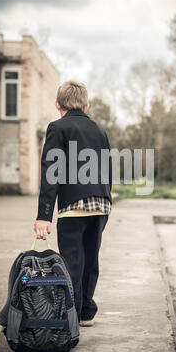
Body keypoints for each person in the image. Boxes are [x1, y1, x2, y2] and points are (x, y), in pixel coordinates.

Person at [33, 81, 112, 327]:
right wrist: (106, 200)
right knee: (91, 259)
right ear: (86, 105)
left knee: (72, 261)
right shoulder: (99, 129)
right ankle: (87, 310)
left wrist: (44, 214)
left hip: (74, 206)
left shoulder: (57, 127)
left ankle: (73, 314)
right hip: (100, 204)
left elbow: (51, 172)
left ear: (57, 104)